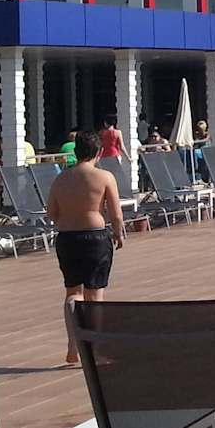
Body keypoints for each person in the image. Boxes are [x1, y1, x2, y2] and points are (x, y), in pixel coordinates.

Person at [46, 129, 125, 367]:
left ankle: (73, 345)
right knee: (94, 294)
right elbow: (116, 214)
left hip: (67, 237)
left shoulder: (61, 179)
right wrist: (118, 233)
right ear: (99, 152)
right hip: (95, 237)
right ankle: (95, 348)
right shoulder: (105, 177)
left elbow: (52, 213)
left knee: (72, 291)